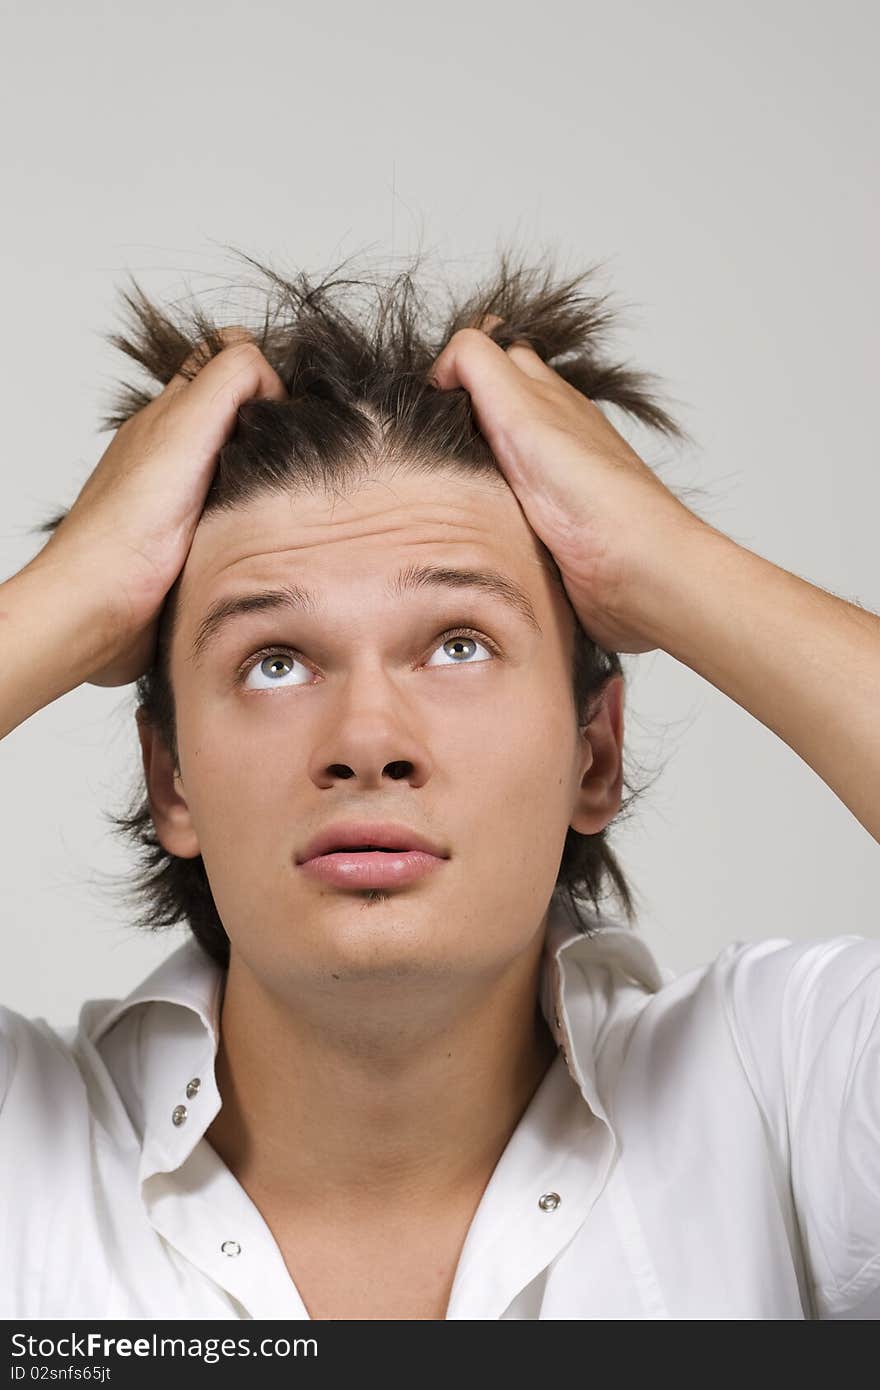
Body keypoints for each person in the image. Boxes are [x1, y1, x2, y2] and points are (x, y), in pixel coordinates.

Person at [1, 252, 877, 1320]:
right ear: (170, 780)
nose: (368, 741)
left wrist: (664, 559)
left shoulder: (780, 1091)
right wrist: (72, 595)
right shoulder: (26, 1150)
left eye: (458, 645)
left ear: (592, 756)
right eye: (274, 661)